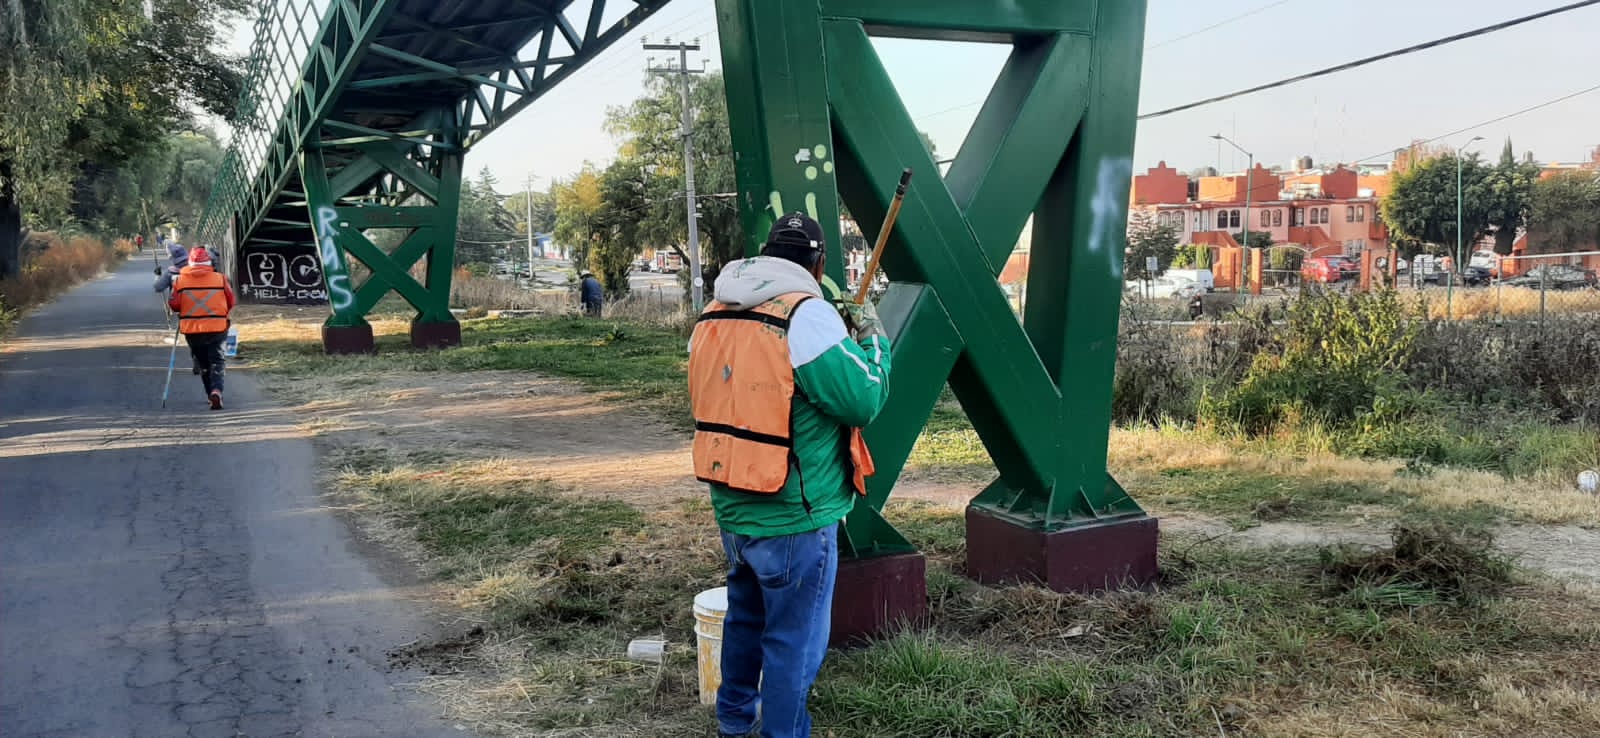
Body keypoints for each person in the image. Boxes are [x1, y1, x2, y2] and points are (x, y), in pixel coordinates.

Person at [687, 212, 892, 738]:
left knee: (746, 623)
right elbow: (862, 398)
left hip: (733, 508)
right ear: (820, 263)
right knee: (792, 645)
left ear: (766, 254)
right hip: (795, 513)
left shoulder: (712, 315)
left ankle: (734, 724)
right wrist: (871, 337)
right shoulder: (805, 317)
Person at [168, 247, 237, 410]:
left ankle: (209, 394)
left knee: (203, 363)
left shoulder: (179, 281)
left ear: (189, 263)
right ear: (209, 262)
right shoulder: (220, 279)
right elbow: (231, 301)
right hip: (217, 327)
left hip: (192, 330)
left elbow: (174, 304)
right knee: (217, 361)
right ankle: (217, 391)